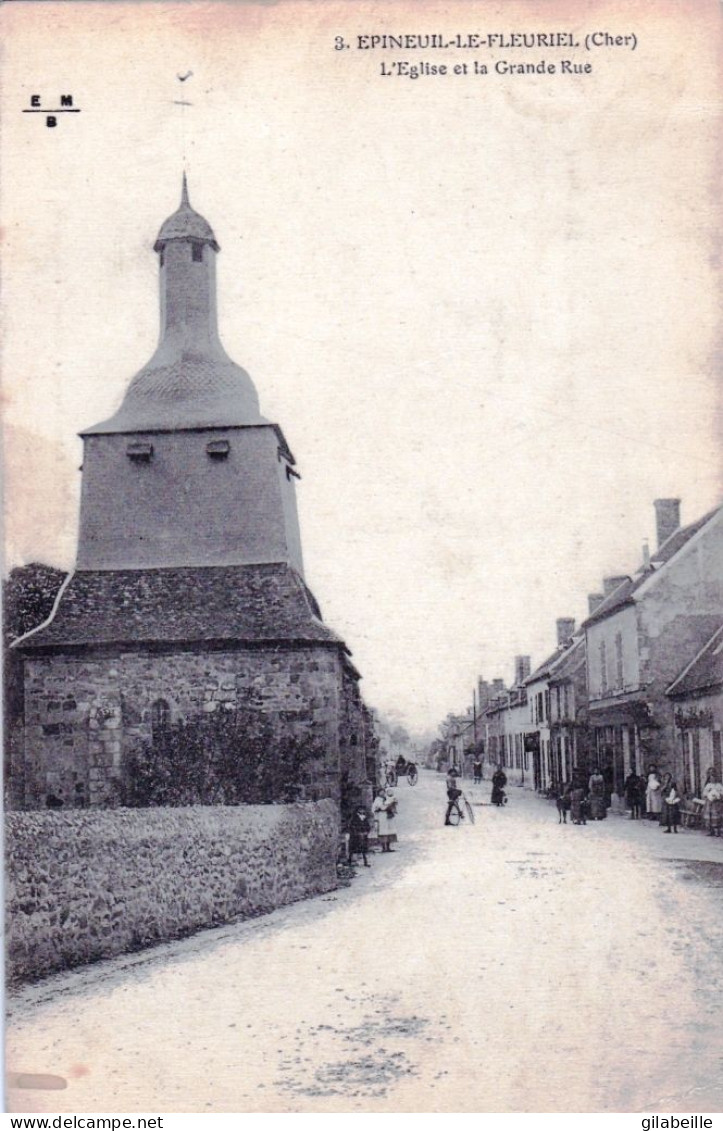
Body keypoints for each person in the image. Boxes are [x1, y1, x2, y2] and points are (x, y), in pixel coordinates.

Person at [702, 769, 723, 837]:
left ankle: (718, 831)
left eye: (714, 778)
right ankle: (710, 831)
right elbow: (704, 793)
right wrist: (708, 795)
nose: (712, 779)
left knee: (716, 818)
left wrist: (717, 796)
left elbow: (721, 792)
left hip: (716, 804)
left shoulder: (719, 785)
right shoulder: (708, 785)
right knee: (709, 817)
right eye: (711, 778)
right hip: (709, 803)